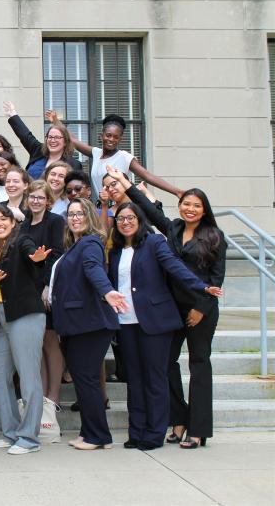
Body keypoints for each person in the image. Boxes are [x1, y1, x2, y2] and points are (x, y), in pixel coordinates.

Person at [107, 170, 228, 449]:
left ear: (204, 210)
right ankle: (178, 419)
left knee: (199, 365)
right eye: (186, 203)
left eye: (197, 205)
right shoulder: (171, 229)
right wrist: (125, 183)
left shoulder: (214, 235)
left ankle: (198, 429)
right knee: (163, 367)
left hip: (201, 308)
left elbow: (216, 278)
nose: (190, 208)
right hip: (170, 309)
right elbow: (143, 207)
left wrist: (202, 305)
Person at [50, 198, 128, 450]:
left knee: (86, 379)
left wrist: (107, 291)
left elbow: (93, 268)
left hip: (90, 324)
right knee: (85, 380)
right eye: (71, 214)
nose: (75, 218)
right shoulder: (75, 245)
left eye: (80, 213)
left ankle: (97, 436)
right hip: (77, 324)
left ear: (90, 217)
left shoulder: (91, 242)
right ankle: (91, 433)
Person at [0, 204, 51, 454]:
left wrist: (36, 257)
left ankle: (29, 438)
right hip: (4, 315)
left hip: (25, 315)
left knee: (28, 376)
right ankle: (11, 431)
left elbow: (30, 253)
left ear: (13, 223)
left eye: (3, 219)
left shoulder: (21, 241)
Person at [49, 111, 183, 198]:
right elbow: (72, 140)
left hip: (121, 208)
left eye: (115, 137)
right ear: (102, 136)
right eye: (108, 135)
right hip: (103, 207)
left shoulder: (124, 157)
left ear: (120, 139)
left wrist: (176, 191)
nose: (111, 139)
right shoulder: (96, 153)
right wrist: (56, 121)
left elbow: (147, 175)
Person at [21, 180, 66, 405]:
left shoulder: (55, 221)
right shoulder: (25, 223)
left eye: (40, 197)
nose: (36, 201)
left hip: (47, 289)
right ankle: (42, 397)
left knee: (49, 340)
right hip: (29, 289)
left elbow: (57, 254)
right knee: (36, 344)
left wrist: (48, 285)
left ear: (48, 200)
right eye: (32, 197)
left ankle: (54, 396)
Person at [2, 101, 82, 179]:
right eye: (50, 137)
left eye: (57, 137)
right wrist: (13, 114)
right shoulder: (38, 150)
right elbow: (25, 135)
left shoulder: (74, 164)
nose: (52, 140)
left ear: (65, 142)